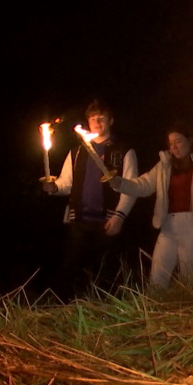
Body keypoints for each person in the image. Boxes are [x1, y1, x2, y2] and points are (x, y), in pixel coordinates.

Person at [42, 98, 138, 297]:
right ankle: (65, 313)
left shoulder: (124, 151)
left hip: (108, 222)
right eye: (93, 118)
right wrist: (54, 187)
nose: (97, 122)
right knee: (68, 273)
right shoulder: (77, 152)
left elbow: (131, 187)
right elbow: (66, 183)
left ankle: (108, 318)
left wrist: (119, 216)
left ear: (111, 120)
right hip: (78, 222)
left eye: (101, 117)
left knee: (107, 277)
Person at [109, 122, 193, 288]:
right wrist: (119, 183)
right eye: (170, 144)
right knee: (157, 277)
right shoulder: (165, 165)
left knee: (192, 280)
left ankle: (192, 311)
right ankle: (155, 311)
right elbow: (143, 185)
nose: (174, 147)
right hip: (168, 226)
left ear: (190, 140)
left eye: (178, 141)